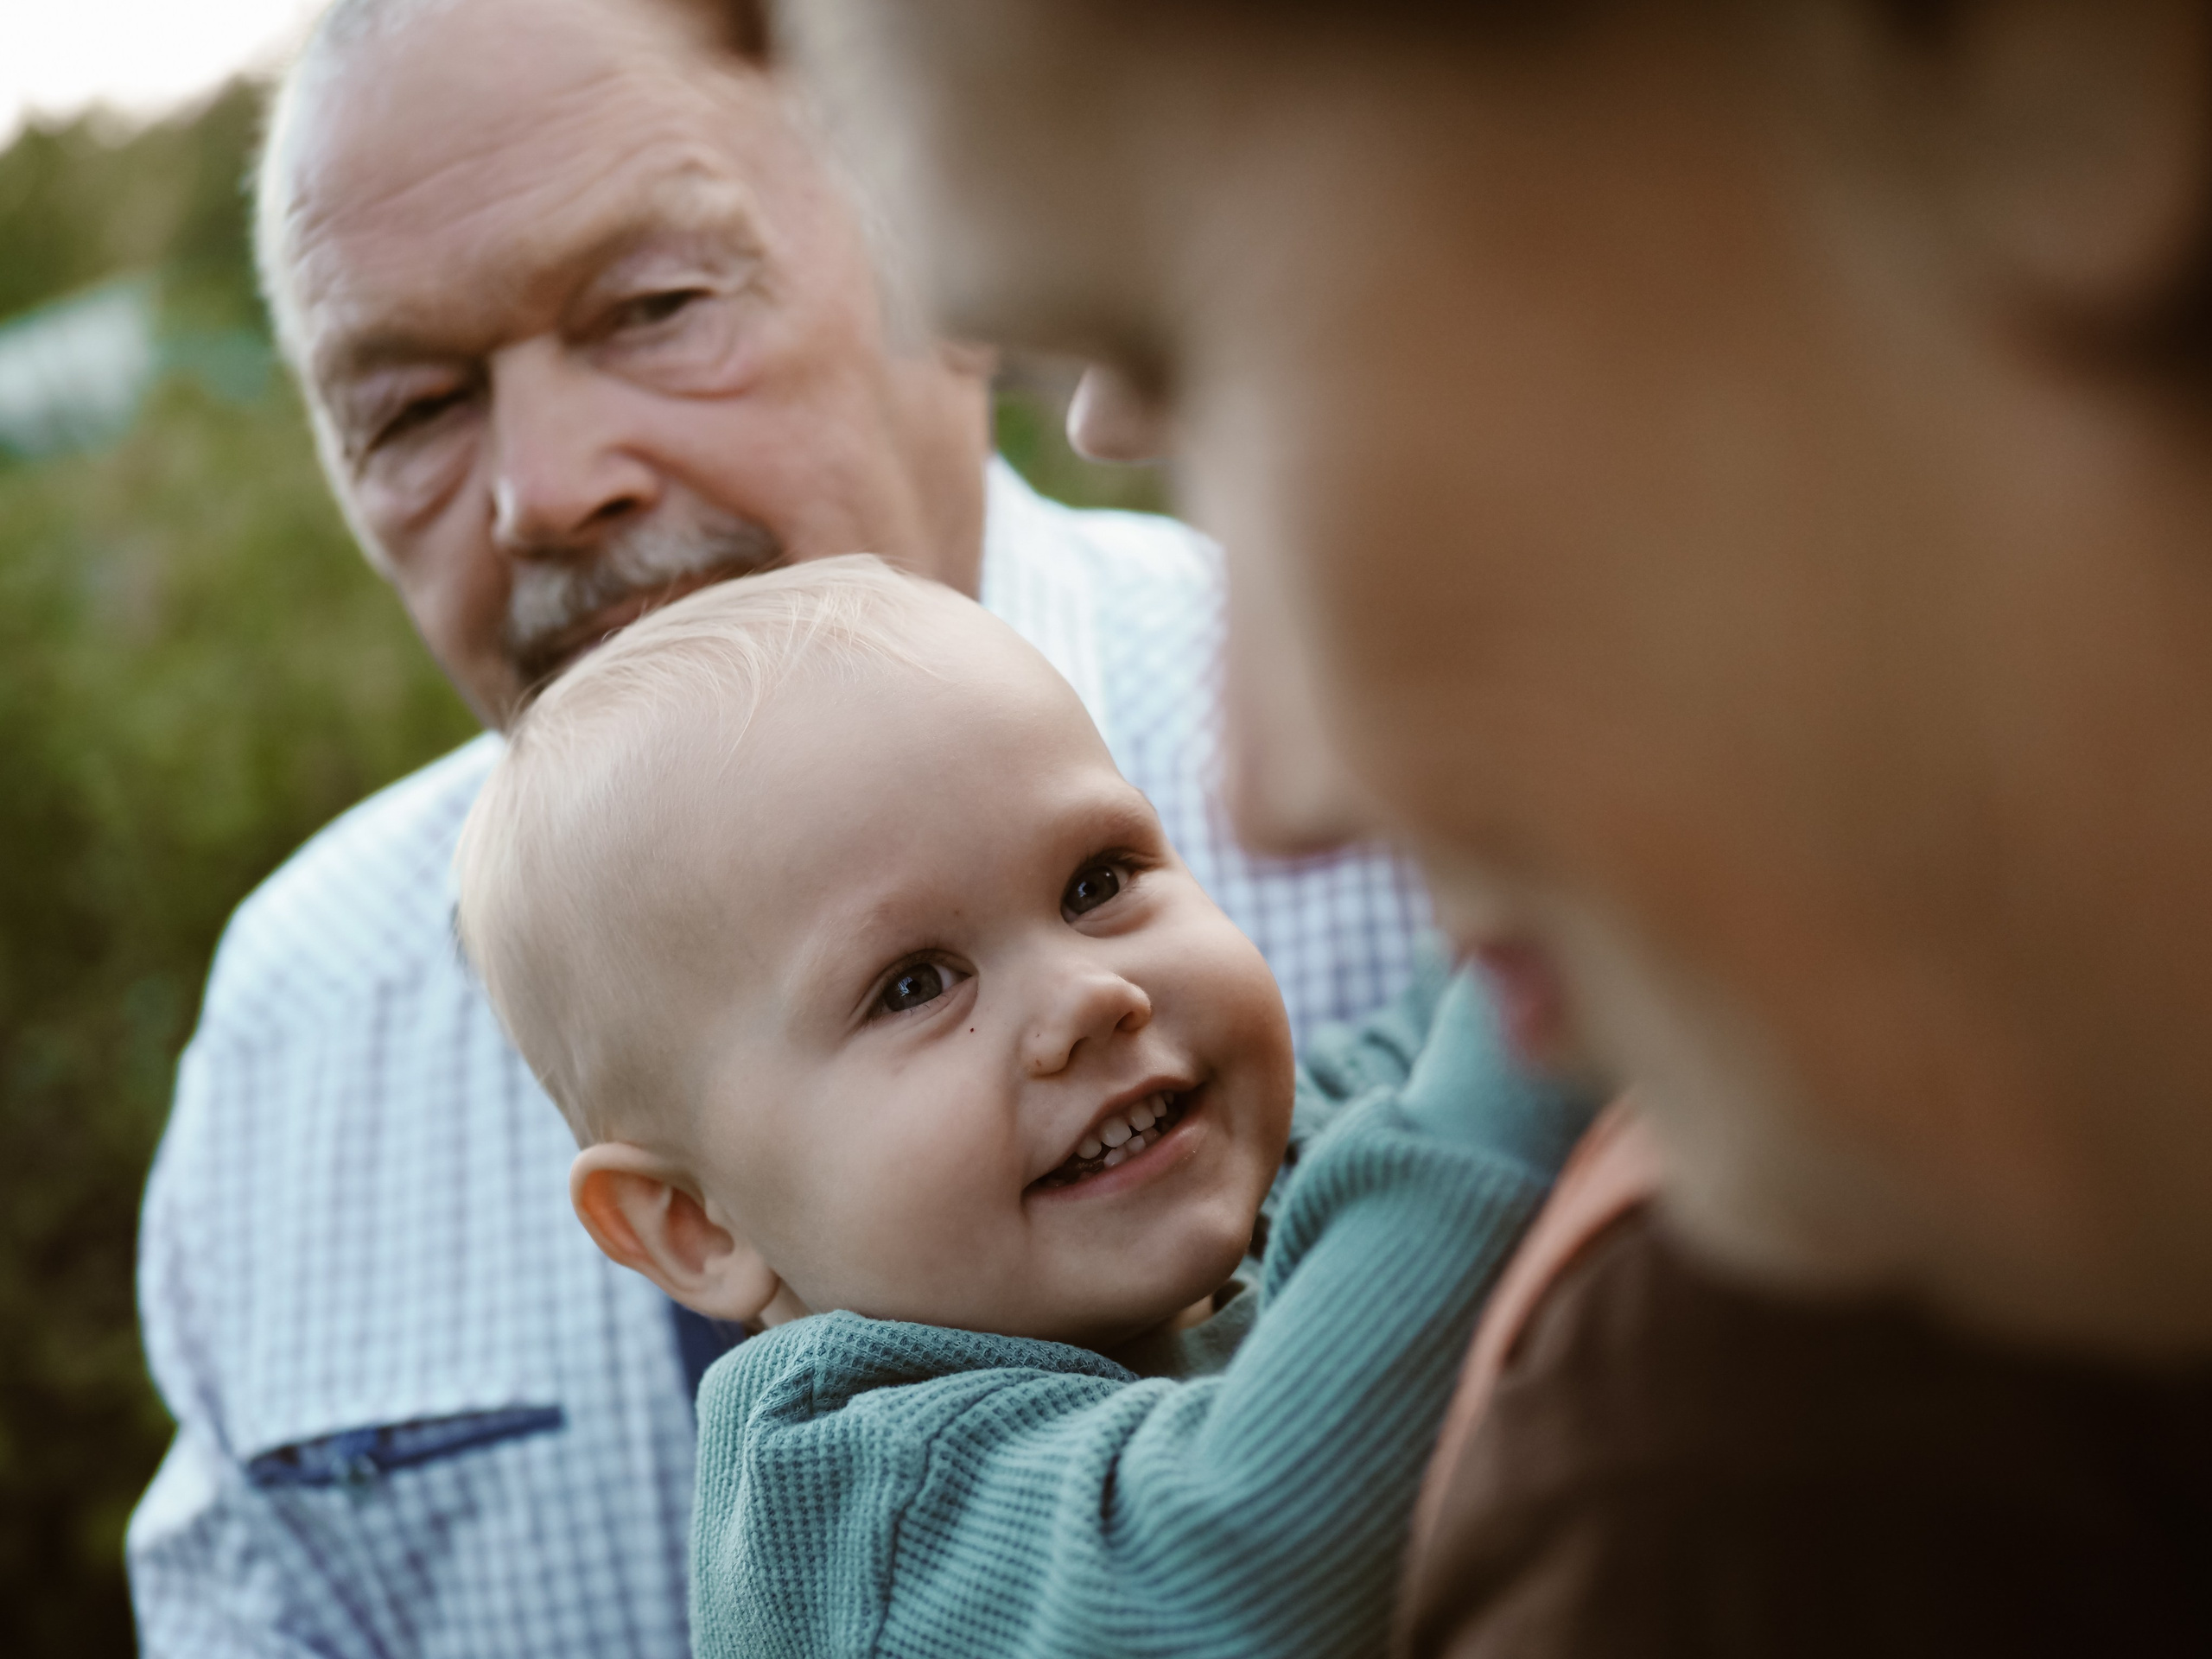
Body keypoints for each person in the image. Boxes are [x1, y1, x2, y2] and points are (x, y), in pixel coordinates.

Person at [779, 0, 2212, 1649]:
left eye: (1203, 363)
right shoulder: (856, 1475)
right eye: (905, 987)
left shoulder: (1742, 1425)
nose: (1271, 791)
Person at [124, 1, 1432, 1653]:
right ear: (678, 1222)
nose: (545, 484)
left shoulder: (1445, 758)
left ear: (950, 264)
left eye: (655, 308)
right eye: (411, 408)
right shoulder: (296, 1028)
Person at [451, 557, 1592, 1658]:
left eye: (1097, 881)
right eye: (914, 985)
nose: (1090, 998)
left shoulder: (1259, 1165)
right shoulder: (854, 1510)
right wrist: (1546, 1034)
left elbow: (1436, 1034)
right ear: (693, 1225)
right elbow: (1232, 1560)